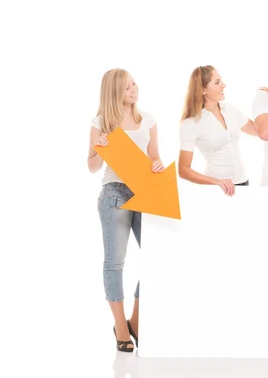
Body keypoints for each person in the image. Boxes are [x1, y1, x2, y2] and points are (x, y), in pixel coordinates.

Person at [87, 68, 165, 352]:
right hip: (114, 194)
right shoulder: (102, 122)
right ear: (115, 93)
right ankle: (121, 326)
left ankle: (136, 319)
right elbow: (93, 166)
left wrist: (157, 165)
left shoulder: (149, 120)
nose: (135, 88)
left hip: (146, 192)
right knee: (115, 262)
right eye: (128, 86)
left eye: (134, 83)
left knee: (158, 257)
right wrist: (99, 147)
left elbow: (154, 157)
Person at [179, 66, 258, 196]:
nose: (223, 85)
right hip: (217, 189)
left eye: (221, 81)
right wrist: (216, 182)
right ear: (203, 90)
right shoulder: (191, 123)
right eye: (217, 82)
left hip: (243, 183)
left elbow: (257, 131)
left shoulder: (231, 110)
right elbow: (183, 170)